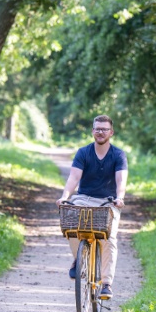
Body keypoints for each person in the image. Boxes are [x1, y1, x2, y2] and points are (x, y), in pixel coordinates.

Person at [56, 114, 128, 299]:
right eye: (97, 128)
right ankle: (78, 259)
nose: (100, 132)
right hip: (84, 198)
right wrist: (65, 196)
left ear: (111, 132)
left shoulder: (118, 155)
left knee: (109, 239)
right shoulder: (83, 152)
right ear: (92, 131)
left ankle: (106, 283)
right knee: (71, 224)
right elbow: (73, 177)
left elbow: (121, 179)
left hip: (108, 201)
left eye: (104, 129)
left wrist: (120, 197)